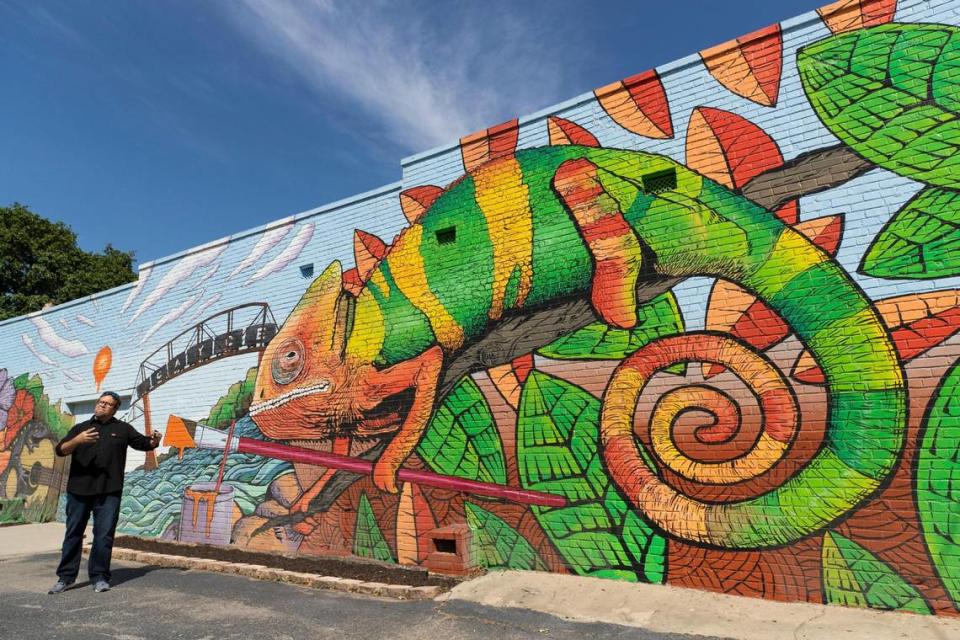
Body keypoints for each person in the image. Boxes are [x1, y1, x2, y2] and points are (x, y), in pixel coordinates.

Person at [48, 391, 161, 594]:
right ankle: (65, 578)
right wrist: (78, 440)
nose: (101, 405)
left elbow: (143, 444)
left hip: (109, 492)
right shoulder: (81, 428)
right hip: (79, 491)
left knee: (104, 536)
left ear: (115, 408)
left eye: (107, 404)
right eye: (100, 402)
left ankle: (99, 577)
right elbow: (61, 449)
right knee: (73, 534)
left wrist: (153, 441)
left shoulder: (122, 429)